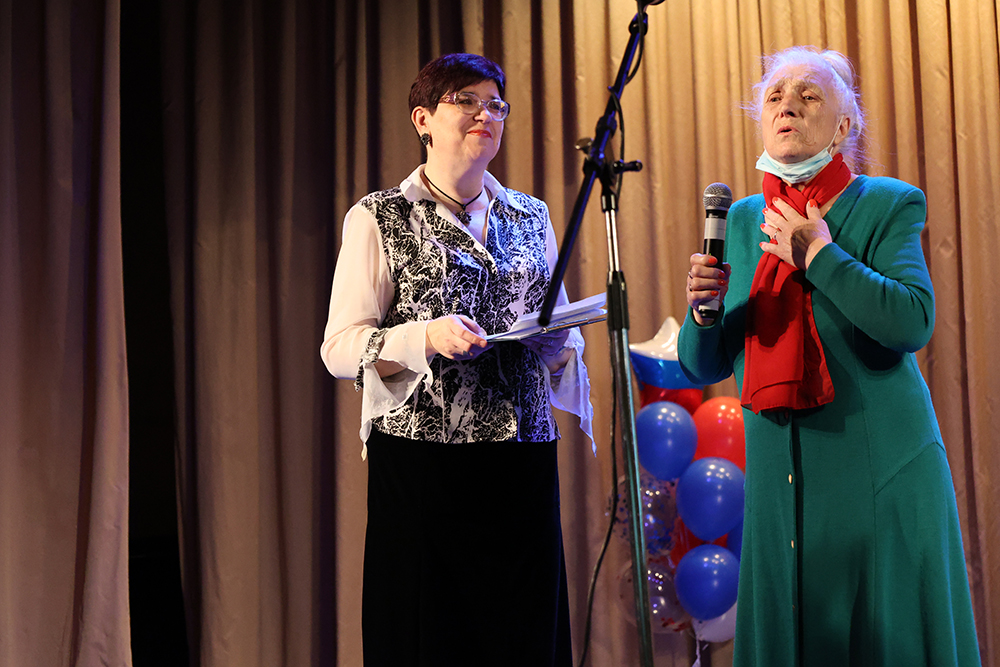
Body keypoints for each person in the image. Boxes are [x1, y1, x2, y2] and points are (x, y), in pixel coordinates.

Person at [678, 46, 981, 666]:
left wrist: (818, 254)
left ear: (843, 128)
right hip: (777, 484)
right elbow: (704, 366)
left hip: (880, 472)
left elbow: (911, 320)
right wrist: (703, 311)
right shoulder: (742, 219)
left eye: (808, 95)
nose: (787, 104)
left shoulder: (886, 203)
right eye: (775, 96)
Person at [320, 53, 594, 667]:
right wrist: (424, 337)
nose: (484, 115)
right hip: (424, 465)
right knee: (430, 635)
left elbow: (561, 329)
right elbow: (339, 347)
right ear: (423, 119)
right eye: (465, 101)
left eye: (495, 105)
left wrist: (556, 346)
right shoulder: (379, 216)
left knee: (523, 634)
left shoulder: (532, 214)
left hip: (521, 458)